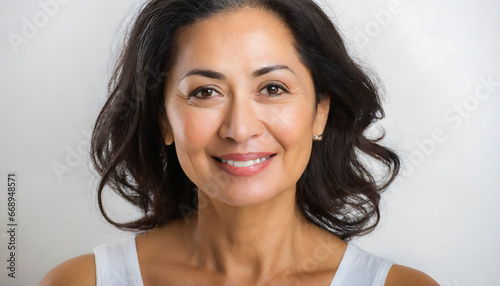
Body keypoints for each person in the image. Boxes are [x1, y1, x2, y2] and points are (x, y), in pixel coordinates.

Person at [41, 0, 438, 285]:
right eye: (205, 92)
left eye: (273, 87)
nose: (240, 128)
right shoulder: (79, 281)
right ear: (164, 121)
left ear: (319, 112)